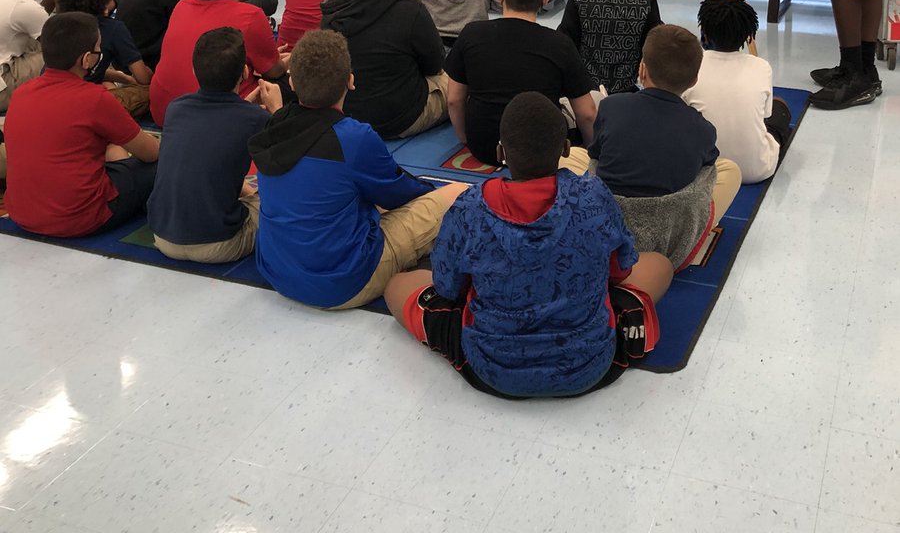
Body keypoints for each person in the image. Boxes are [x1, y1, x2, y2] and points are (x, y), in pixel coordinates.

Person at [384, 92, 673, 399]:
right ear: (564, 148)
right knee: (659, 265)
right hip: (590, 364)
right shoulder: (594, 196)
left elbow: (447, 287)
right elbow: (619, 272)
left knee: (396, 286)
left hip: (491, 366)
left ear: (501, 152)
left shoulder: (469, 207)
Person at [250, 29, 467, 309]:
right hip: (341, 283)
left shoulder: (273, 125)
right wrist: (433, 196)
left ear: (292, 81)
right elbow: (401, 194)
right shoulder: (352, 137)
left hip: (276, 271)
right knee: (458, 195)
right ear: (350, 81)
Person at [589, 24, 742, 268]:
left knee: (572, 155)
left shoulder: (611, 106)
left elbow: (595, 156)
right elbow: (704, 169)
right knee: (729, 170)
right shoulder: (702, 129)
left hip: (606, 234)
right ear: (694, 80)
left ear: (642, 69)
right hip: (670, 242)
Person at [3, 12, 159, 237]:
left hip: (22, 213)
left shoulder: (21, 94)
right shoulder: (95, 98)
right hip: (80, 218)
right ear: (87, 59)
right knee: (162, 164)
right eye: (98, 50)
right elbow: (151, 153)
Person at [445, 0, 598, 164]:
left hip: (483, 147)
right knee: (594, 101)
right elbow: (587, 114)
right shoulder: (559, 44)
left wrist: (466, 139)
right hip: (540, 152)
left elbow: (454, 99)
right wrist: (591, 152)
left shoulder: (471, 34)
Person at [148, 28, 268, 263]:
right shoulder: (254, 119)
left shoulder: (176, 108)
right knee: (275, 202)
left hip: (162, 237)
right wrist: (278, 112)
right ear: (245, 72)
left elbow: (212, 135)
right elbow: (290, 157)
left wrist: (244, 109)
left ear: (194, 70)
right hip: (219, 244)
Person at [320, 0, 448, 139]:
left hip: (347, 117)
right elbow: (434, 65)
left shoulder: (331, 10)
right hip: (401, 119)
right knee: (455, 83)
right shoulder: (411, 10)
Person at [149, 0, 285, 126]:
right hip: (217, 119)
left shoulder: (181, 6)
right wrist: (290, 60)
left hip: (164, 113)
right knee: (281, 86)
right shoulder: (251, 15)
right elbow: (273, 70)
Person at [682, 0, 789, 184]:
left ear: (704, 35)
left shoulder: (691, 65)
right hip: (756, 171)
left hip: (701, 170)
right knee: (780, 107)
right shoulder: (761, 66)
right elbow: (765, 115)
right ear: (748, 37)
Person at [55, 0, 153, 118]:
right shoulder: (113, 29)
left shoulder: (59, 22)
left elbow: (86, 70)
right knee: (150, 93)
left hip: (57, 94)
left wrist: (121, 77)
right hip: (82, 103)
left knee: (107, 84)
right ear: (104, 3)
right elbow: (143, 77)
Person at [0, 0, 72, 116]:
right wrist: (63, 0)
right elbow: (63, 46)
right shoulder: (21, 2)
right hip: (3, 86)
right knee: (68, 56)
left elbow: (30, 21)